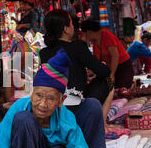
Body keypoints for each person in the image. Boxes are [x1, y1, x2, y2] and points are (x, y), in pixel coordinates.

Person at [0, 49, 102, 148]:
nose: (43, 104)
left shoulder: (65, 118)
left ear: (61, 100)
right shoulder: (18, 108)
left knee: (93, 105)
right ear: (31, 94)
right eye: (38, 96)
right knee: (23, 119)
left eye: (51, 99)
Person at [39, 9, 112, 139]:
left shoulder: (44, 52)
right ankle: (103, 124)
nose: (74, 27)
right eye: (72, 24)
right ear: (66, 29)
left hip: (54, 106)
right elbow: (104, 71)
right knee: (109, 81)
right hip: (75, 105)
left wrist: (83, 75)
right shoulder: (77, 47)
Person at [81, 19, 134, 89]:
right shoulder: (95, 43)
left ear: (89, 32)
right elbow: (97, 62)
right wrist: (89, 72)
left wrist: (111, 75)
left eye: (84, 34)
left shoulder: (107, 35)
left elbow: (115, 56)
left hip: (123, 67)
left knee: (122, 90)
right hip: (112, 68)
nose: (84, 37)